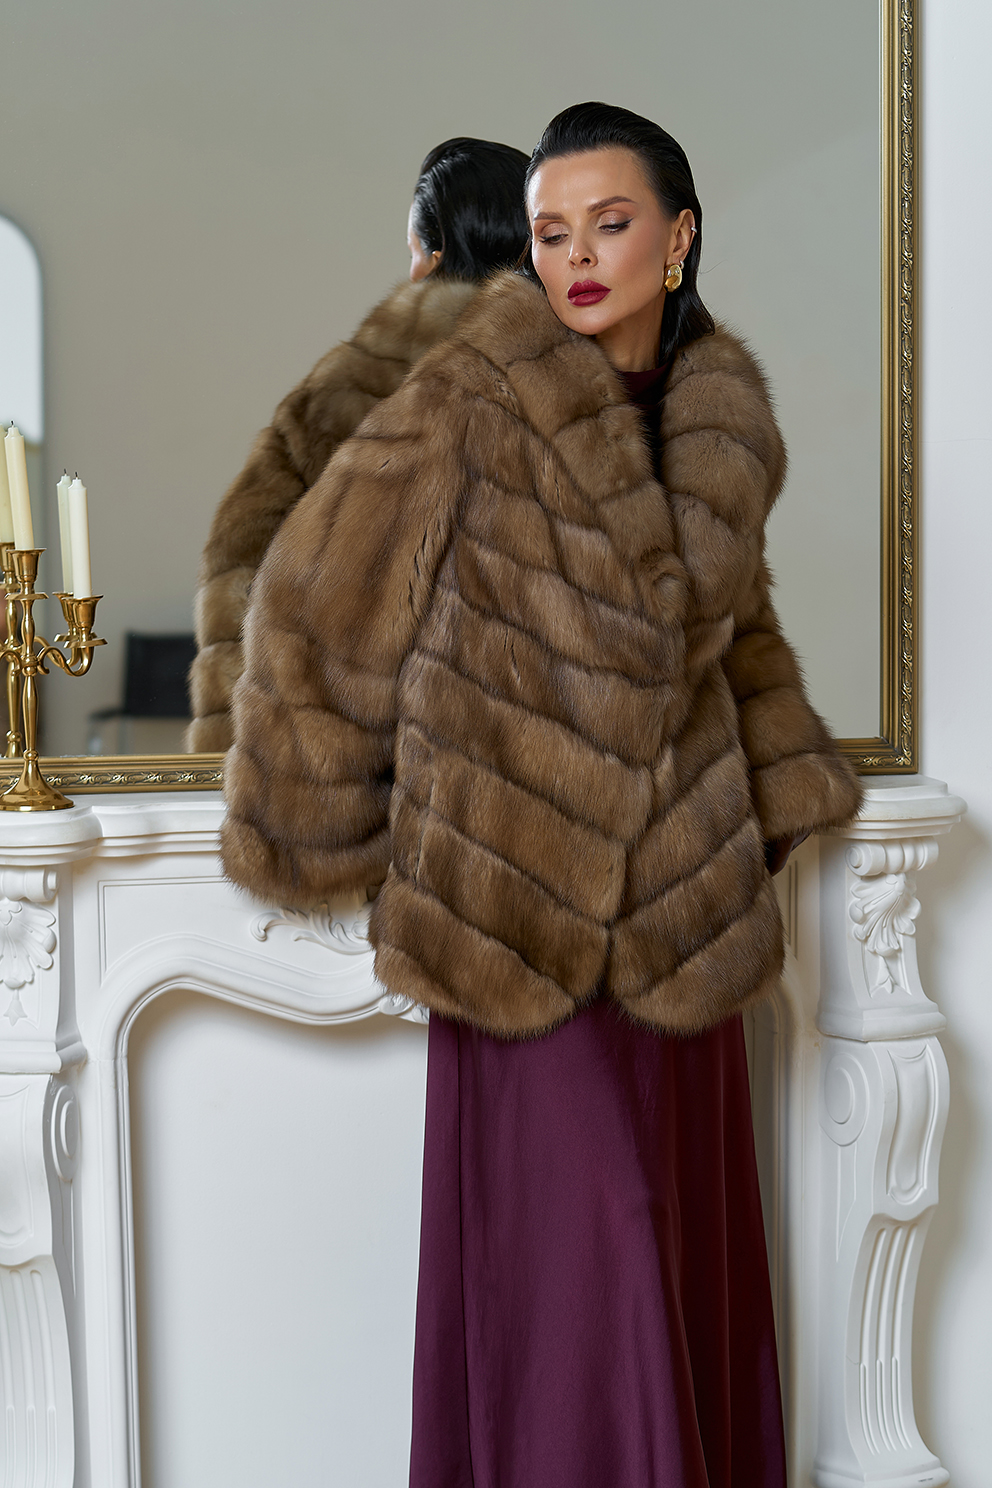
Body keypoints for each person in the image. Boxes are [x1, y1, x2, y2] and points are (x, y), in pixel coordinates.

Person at [221, 102, 863, 1487]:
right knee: (593, 1264)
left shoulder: (713, 423)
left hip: (682, 928)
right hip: (519, 934)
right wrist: (332, 823)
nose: (574, 257)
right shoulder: (471, 396)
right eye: (549, 231)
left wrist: (777, 794)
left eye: (607, 225)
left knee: (676, 1270)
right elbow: (317, 604)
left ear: (677, 240)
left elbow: (731, 642)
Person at [185, 136, 530, 751]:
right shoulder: (592, 384)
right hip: (537, 759)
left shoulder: (344, 393)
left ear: (430, 256)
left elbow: (241, 565)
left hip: (353, 754)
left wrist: (240, 750)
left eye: (412, 248)